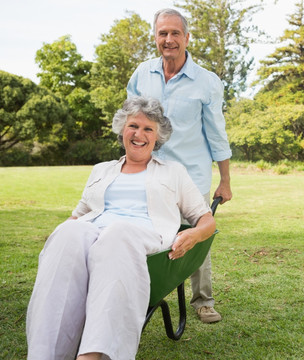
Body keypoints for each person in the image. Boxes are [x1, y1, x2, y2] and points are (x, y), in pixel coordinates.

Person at [26, 96, 216, 360]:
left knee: (118, 233)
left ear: (157, 136)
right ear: (122, 129)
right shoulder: (101, 170)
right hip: (94, 238)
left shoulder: (173, 172)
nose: (139, 134)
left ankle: (93, 356)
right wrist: (60, 238)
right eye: (133, 126)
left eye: (148, 129)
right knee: (69, 232)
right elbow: (79, 215)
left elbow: (207, 220)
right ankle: (45, 355)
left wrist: (194, 234)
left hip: (141, 241)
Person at [127, 8, 232, 324]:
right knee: (139, 232)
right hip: (149, 173)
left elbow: (216, 133)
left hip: (191, 176)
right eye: (163, 33)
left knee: (196, 233)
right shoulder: (142, 75)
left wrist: (225, 180)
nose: (168, 39)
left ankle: (203, 300)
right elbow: (131, 125)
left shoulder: (206, 82)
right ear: (155, 37)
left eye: (175, 33)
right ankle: (135, 292)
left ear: (187, 38)